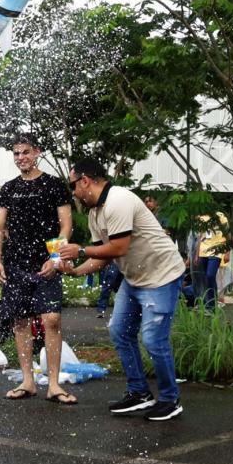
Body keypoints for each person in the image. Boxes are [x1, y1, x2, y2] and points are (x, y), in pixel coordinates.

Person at [59, 157, 186, 421]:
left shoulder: (119, 200)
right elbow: (103, 256)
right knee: (120, 332)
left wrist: (79, 250)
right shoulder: (96, 212)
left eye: (73, 185)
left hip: (161, 276)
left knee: (153, 339)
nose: (73, 192)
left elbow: (119, 247)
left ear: (85, 180)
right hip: (135, 278)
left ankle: (170, 399)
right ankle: (139, 392)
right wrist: (76, 270)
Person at [0, 135, 74, 405]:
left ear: (37, 153)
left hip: (45, 264)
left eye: (25, 152)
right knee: (20, 321)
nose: (20, 158)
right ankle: (27, 381)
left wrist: (55, 258)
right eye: (16, 154)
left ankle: (53, 384)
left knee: (52, 319)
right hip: (16, 264)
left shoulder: (53, 185)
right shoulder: (8, 189)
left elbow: (65, 226)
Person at [195, 212, 229, 310]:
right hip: (203, 251)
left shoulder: (220, 216)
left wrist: (227, 253)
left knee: (210, 275)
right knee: (206, 278)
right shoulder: (201, 217)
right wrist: (197, 255)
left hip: (217, 251)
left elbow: (227, 234)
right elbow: (200, 236)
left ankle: (212, 304)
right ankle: (210, 303)